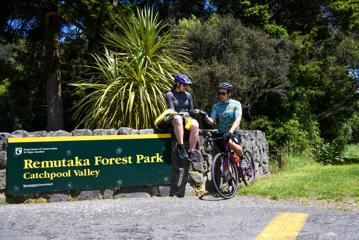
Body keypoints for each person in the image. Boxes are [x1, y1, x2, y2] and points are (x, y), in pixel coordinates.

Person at [202, 82, 243, 157]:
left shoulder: (236, 104)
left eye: (223, 93)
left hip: (233, 133)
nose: (221, 95)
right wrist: (206, 116)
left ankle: (243, 159)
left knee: (231, 143)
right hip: (221, 134)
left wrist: (230, 132)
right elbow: (212, 121)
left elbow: (238, 119)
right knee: (225, 157)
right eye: (219, 93)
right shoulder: (216, 106)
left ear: (229, 93)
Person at [165, 74, 199, 162]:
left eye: (187, 85)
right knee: (178, 118)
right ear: (177, 84)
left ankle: (191, 152)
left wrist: (196, 111)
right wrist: (181, 115)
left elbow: (190, 110)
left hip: (186, 118)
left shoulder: (188, 95)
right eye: (184, 85)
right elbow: (171, 110)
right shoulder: (170, 94)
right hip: (174, 118)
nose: (186, 87)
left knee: (195, 124)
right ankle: (180, 147)